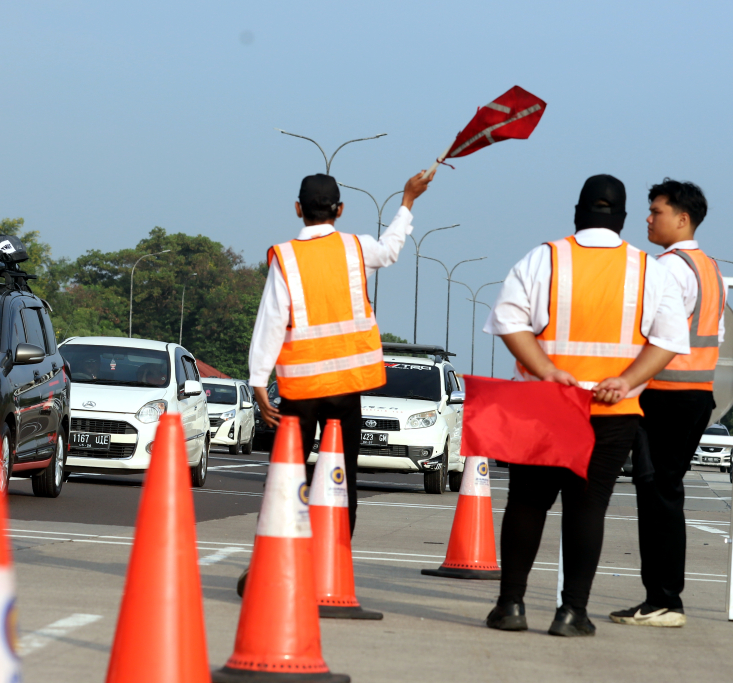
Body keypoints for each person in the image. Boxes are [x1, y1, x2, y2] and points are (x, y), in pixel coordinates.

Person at [482, 174, 689, 636]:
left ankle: (510, 606)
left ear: (577, 212)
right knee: (587, 507)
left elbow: (508, 321)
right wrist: (627, 380)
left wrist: (546, 370)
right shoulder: (647, 269)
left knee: (528, 503)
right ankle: (572, 613)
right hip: (612, 411)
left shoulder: (544, 257)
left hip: (546, 404)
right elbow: (670, 339)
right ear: (621, 219)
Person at [249, 170, 435, 537]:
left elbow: (271, 320)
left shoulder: (286, 257)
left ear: (298, 209)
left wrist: (258, 379)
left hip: (301, 389)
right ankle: (334, 561)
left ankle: (274, 555)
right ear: (341, 209)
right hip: (347, 386)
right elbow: (391, 249)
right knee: (342, 475)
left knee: (288, 471)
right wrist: (407, 201)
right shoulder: (356, 247)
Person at [610, 179, 724, 628]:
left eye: (655, 211)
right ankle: (662, 598)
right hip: (696, 395)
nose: (647, 218)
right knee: (665, 493)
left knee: (657, 495)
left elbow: (653, 334)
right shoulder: (708, 267)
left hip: (665, 395)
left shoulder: (669, 269)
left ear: (682, 218)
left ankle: (662, 600)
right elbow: (711, 337)